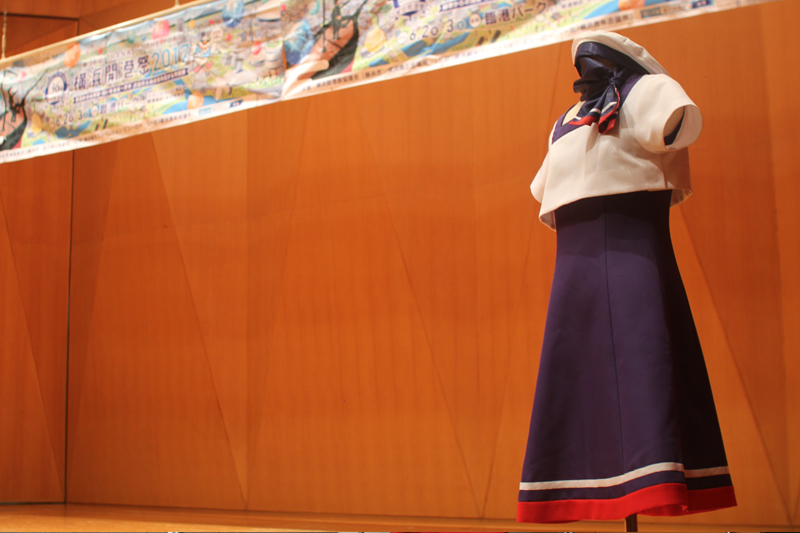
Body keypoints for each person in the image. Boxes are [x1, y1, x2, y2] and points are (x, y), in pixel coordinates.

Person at [517, 30, 737, 523]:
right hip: (573, 268)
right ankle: (586, 484)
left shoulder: (650, 91)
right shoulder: (566, 120)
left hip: (633, 253)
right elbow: (542, 189)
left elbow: (675, 121)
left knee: (643, 366)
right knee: (579, 377)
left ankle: (649, 478)